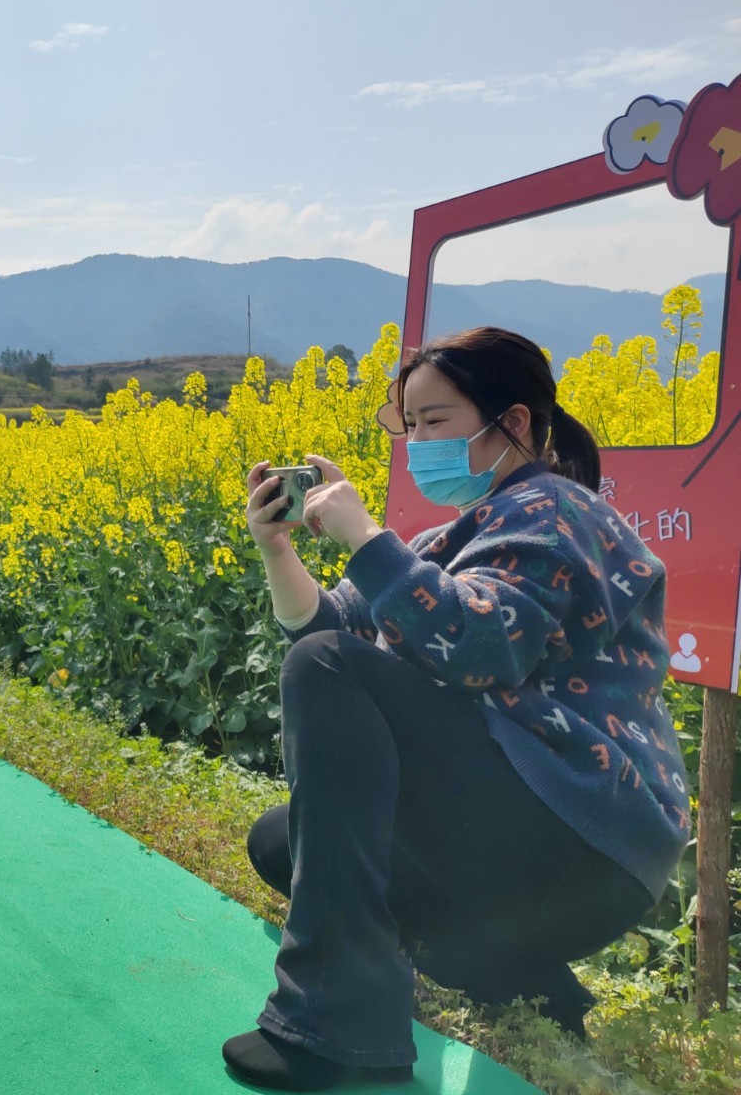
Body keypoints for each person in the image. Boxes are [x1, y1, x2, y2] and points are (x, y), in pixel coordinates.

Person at [223, 326, 689, 1092]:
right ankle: (526, 980)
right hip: (529, 842)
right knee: (282, 840)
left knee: (328, 672)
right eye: (409, 425)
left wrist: (366, 536)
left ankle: (333, 1024)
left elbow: (479, 648)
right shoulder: (459, 534)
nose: (417, 443)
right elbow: (334, 627)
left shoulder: (555, 512)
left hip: (585, 842)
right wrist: (279, 547)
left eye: (435, 420)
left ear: (512, 422)